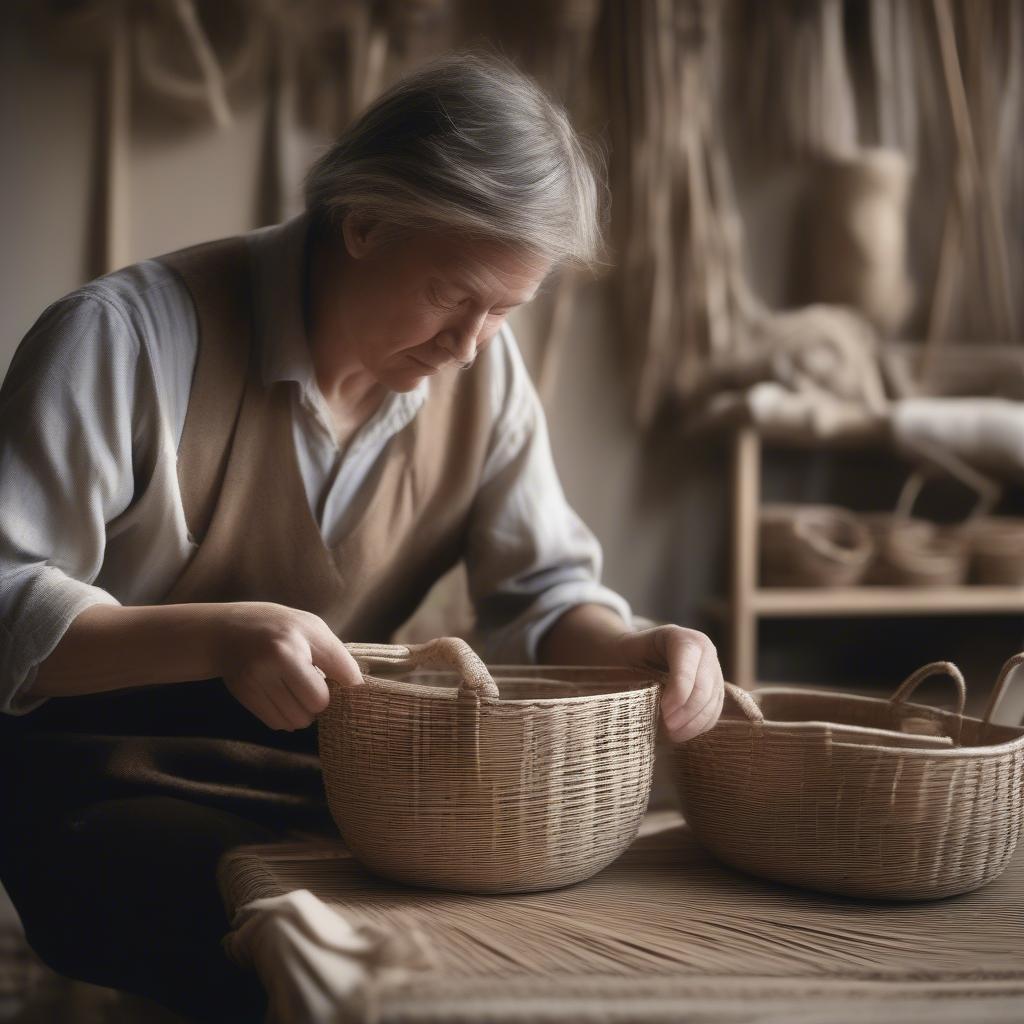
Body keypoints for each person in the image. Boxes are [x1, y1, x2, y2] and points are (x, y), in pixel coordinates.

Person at [0, 54, 725, 1021]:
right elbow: (7, 597)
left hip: (335, 784)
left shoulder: (484, 371)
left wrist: (632, 646)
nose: (472, 344)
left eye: (507, 308)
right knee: (306, 938)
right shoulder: (124, 340)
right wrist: (219, 637)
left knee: (527, 910)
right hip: (102, 783)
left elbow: (541, 593)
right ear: (364, 223)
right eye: (452, 294)